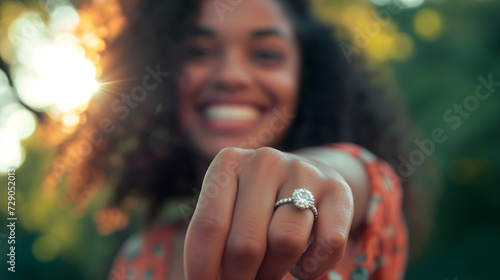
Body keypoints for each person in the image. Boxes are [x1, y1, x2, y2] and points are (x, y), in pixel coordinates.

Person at [48, 0, 422, 279]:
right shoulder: (141, 257)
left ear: (307, 82)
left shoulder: (348, 195)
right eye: (199, 52)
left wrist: (317, 174)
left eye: (265, 54)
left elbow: (352, 178)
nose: (230, 75)